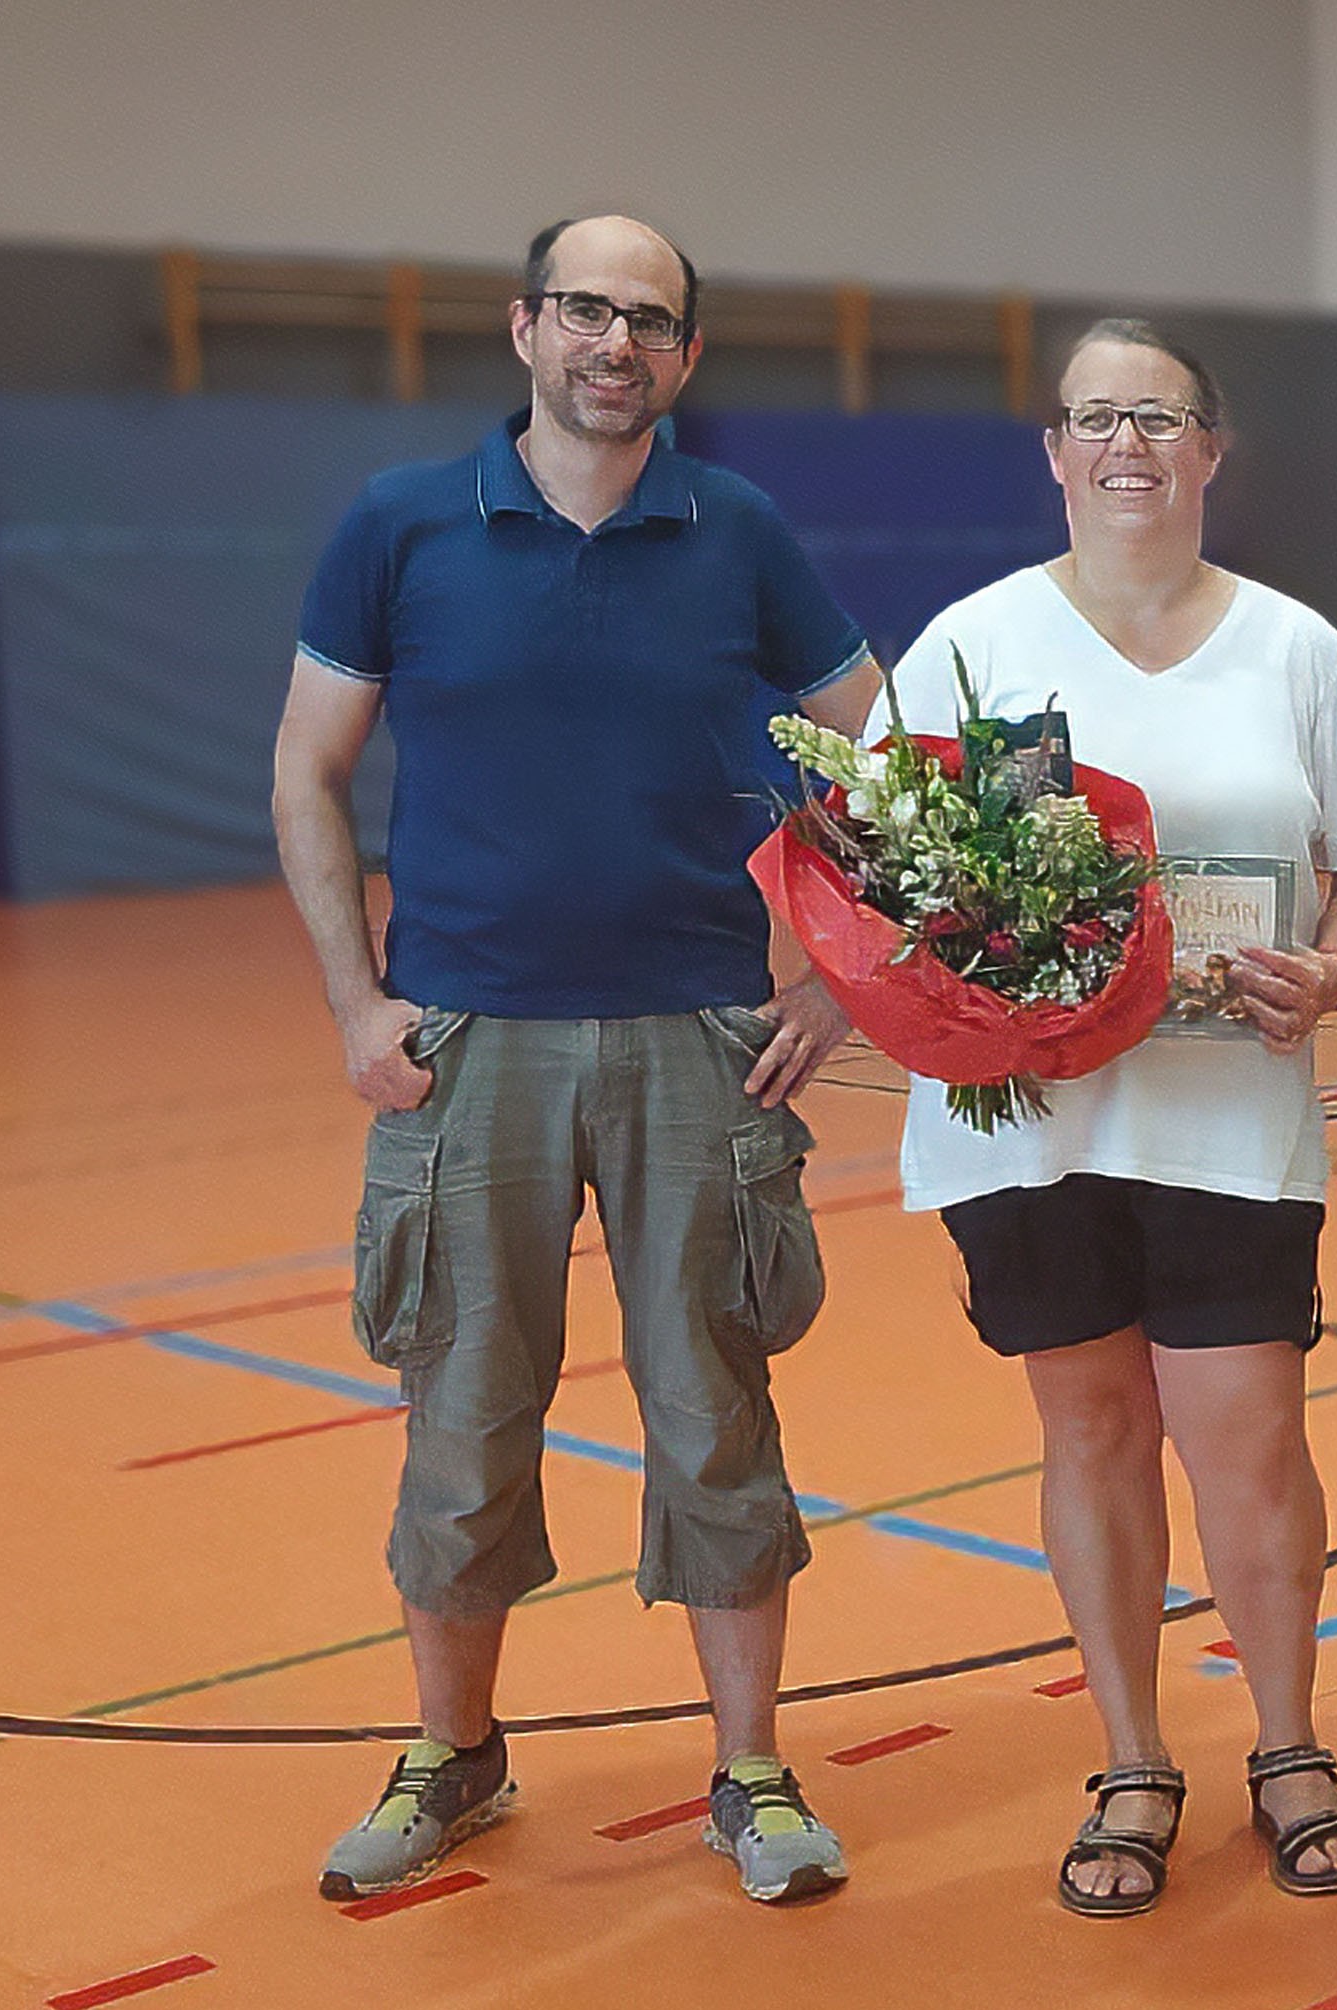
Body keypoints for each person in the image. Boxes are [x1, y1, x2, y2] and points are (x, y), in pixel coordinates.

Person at [267, 213, 885, 1908]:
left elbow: (881, 742)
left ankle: (752, 1775)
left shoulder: (739, 531)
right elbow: (307, 773)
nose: (618, 342)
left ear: (684, 357)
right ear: (527, 326)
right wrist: (353, 1004)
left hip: (701, 1041)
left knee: (714, 1414)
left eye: (654, 320)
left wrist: (843, 977)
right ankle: (451, 1759)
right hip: (466, 1048)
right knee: (464, 1419)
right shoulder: (401, 526)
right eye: (589, 310)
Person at [878, 320, 1337, 1917]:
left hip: (1228, 1114)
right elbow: (887, 873)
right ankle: (1129, 1753)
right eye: (1099, 419)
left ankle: (1287, 1739)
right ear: (1054, 453)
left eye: (1161, 418)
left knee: (1247, 1442)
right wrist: (965, 965)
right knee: (1091, 1429)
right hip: (1030, 1128)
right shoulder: (968, 645)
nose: (1131, 446)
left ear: (1210, 451)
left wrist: (1331, 967)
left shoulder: (1296, 649)